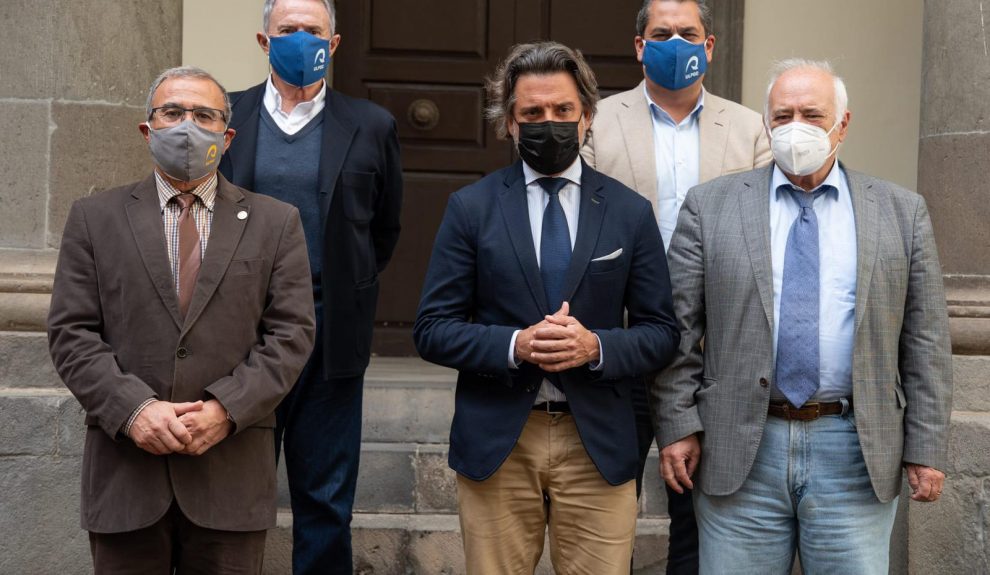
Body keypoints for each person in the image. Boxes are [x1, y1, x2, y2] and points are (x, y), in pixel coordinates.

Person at [651, 59, 952, 574]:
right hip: (741, 445)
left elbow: (925, 340)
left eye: (812, 114)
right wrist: (678, 423)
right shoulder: (709, 208)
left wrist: (926, 445)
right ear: (766, 124)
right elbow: (679, 330)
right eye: (783, 114)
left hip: (852, 448)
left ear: (843, 124)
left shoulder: (901, 212)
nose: (796, 127)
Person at [414, 42, 680, 574]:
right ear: (509, 123)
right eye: (532, 113)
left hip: (598, 444)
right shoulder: (473, 207)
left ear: (587, 117)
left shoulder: (628, 212)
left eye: (562, 111)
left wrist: (595, 346)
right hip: (500, 442)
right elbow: (433, 328)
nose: (549, 124)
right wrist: (514, 344)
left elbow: (661, 332)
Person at [47, 66, 316, 574]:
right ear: (148, 130)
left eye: (203, 115)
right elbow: (71, 333)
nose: (186, 125)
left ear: (226, 134)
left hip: (229, 476)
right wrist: (133, 410)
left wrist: (225, 410)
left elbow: (291, 334)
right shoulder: (94, 218)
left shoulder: (276, 222)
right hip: (126, 478)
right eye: (172, 112)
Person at [581, 2, 770, 570]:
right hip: (621, 340)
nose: (676, 43)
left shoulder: (748, 128)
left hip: (713, 351)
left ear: (710, 46)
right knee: (609, 503)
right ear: (639, 46)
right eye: (661, 34)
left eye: (689, 34)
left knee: (701, 512)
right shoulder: (598, 120)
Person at [217, 0, 402, 572]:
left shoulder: (371, 124)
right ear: (263, 40)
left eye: (313, 30)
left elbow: (385, 227)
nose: (301, 40)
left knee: (324, 501)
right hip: (234, 336)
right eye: (288, 30)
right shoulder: (227, 116)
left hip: (329, 334)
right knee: (227, 497)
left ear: (335, 42)